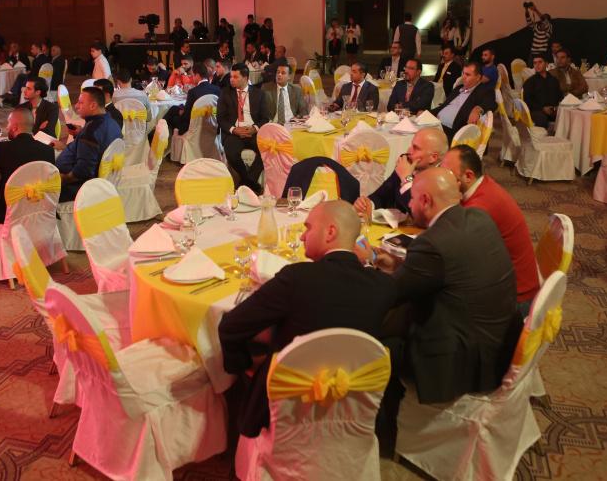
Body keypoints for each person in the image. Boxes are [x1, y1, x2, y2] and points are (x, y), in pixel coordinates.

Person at [218, 200, 396, 438]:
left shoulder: (296, 278)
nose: (302, 236)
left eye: (308, 228)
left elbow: (230, 327)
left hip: (285, 409)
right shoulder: (383, 286)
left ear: (330, 232)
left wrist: (245, 365)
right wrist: (373, 262)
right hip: (354, 409)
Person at [370, 168, 521, 446]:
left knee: (375, 340)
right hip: (499, 342)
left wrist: (364, 269)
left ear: (426, 200)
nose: (409, 204)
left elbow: (391, 295)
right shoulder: (478, 218)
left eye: (412, 198)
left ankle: (383, 429)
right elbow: (445, 273)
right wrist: (401, 266)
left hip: (466, 363)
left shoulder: (432, 244)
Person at [442, 145, 540, 315]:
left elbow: (455, 254)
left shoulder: (480, 207)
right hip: (511, 285)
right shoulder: (482, 186)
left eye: (447, 174)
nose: (442, 178)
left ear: (468, 176)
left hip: (514, 300)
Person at [0, 108, 56, 227]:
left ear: (15, 127)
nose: (7, 127)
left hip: (9, 211)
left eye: (8, 123)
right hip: (39, 208)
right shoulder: (48, 150)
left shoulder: (3, 149)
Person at [354, 127, 448, 216]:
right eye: (411, 145)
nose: (409, 151)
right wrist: (369, 204)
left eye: (416, 148)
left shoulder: (442, 182)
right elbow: (382, 194)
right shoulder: (408, 164)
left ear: (433, 157)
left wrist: (406, 177)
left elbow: (418, 213)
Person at [55, 86, 121, 202]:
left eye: (81, 103)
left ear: (93, 105)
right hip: (99, 182)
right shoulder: (111, 122)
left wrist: (61, 179)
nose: (76, 106)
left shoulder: (91, 132)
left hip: (78, 189)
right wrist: (80, 134)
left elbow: (83, 171)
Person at [217, 63, 267, 193]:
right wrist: (234, 129)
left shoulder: (259, 93)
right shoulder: (225, 93)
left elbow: (265, 118)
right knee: (231, 153)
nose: (231, 79)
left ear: (245, 78)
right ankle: (251, 183)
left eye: (235, 77)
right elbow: (220, 118)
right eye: (231, 76)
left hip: (253, 132)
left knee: (266, 151)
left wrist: (254, 128)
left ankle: (246, 182)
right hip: (234, 133)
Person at [431, 61, 497, 142]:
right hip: (435, 124)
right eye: (463, 73)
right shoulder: (458, 88)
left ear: (478, 77)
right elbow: (443, 106)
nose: (463, 77)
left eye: (468, 75)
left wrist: (477, 109)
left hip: (452, 133)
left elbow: (491, 103)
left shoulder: (484, 91)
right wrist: (425, 113)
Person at [164, 62, 220, 135]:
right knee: (174, 108)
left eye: (193, 75)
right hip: (212, 123)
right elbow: (217, 109)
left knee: (173, 117)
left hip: (194, 125)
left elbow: (186, 116)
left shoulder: (193, 92)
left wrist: (182, 113)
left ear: (197, 75)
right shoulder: (217, 89)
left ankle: (163, 134)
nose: (193, 78)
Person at [522, 55, 563, 126]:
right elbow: (527, 101)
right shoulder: (530, 82)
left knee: (565, 115)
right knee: (542, 119)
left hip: (553, 109)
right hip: (537, 110)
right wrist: (542, 108)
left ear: (546, 64)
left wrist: (556, 107)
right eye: (535, 63)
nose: (537, 65)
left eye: (540, 62)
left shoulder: (554, 80)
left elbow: (560, 96)